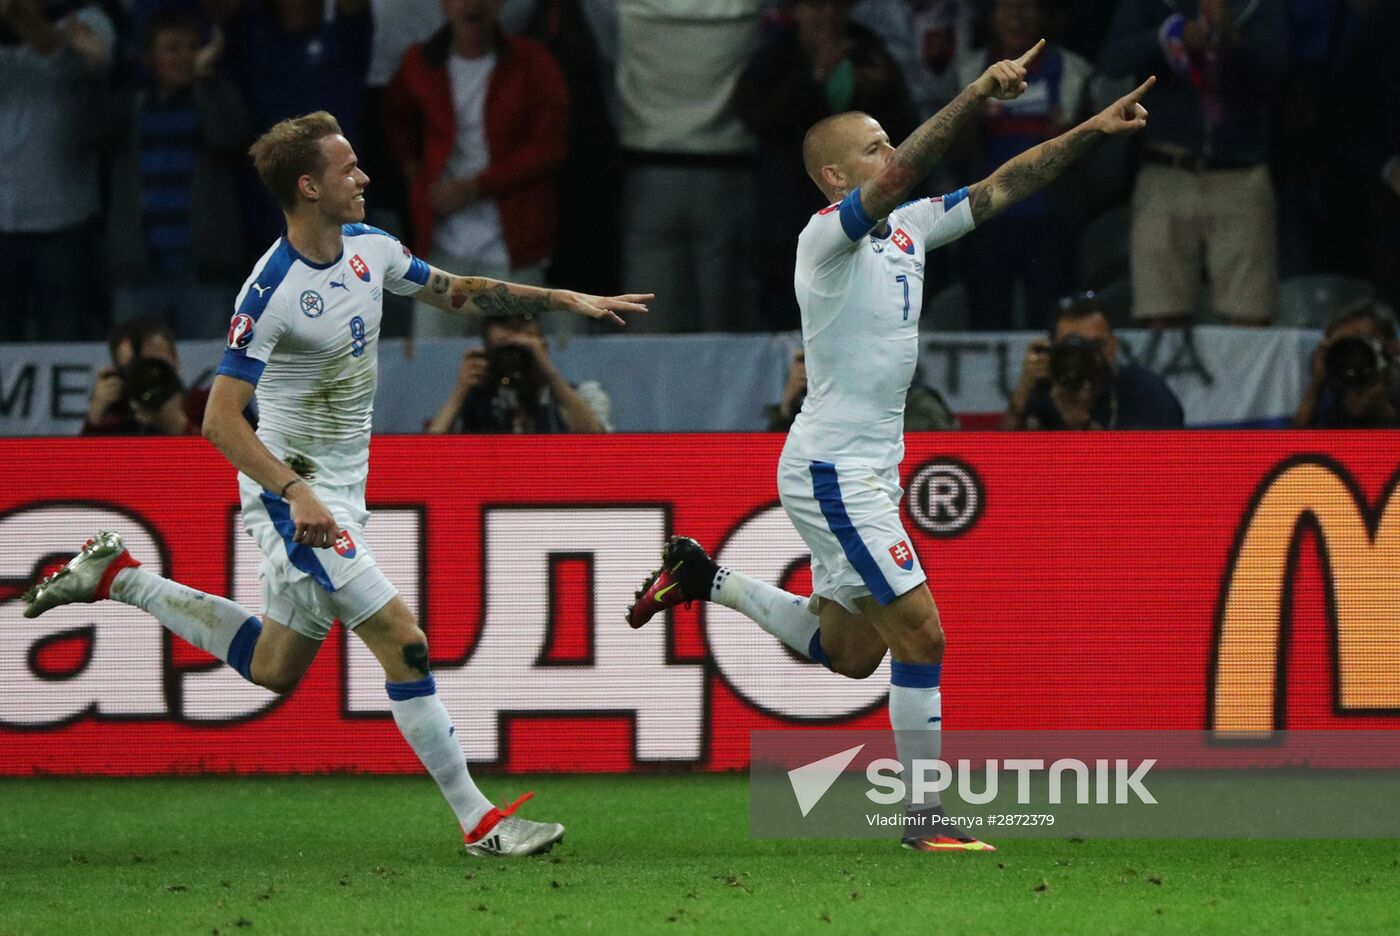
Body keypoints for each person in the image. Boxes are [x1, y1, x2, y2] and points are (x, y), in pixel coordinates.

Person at [23, 111, 650, 856]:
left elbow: (459, 290)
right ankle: (481, 822)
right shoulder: (270, 291)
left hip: (340, 489)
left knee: (274, 665)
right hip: (296, 496)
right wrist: (294, 494)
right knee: (402, 638)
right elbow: (220, 423)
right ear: (309, 185)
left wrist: (562, 299)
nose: (365, 177)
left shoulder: (371, 249)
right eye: (349, 167)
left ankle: (121, 577)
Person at [628, 42, 1155, 853]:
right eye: (874, 145)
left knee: (848, 653)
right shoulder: (823, 242)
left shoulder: (906, 231)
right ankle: (925, 822)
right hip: (835, 471)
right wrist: (979, 91)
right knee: (924, 637)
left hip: (867, 468)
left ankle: (710, 577)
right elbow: (906, 174)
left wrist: (1092, 128)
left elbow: (1002, 186)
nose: (891, 151)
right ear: (838, 177)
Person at [385, 0, 568, 339]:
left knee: (522, 359)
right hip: (441, 246)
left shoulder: (532, 63)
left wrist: (477, 187)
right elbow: (397, 123)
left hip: (515, 244)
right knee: (433, 360)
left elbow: (551, 146)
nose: (473, 4)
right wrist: (417, 178)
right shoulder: (419, 64)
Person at [1099, 0, 1286, 327]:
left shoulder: (1257, 6)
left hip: (1240, 175)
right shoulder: (1156, 6)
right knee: (1161, 315)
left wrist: (1232, 38)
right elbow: (1113, 60)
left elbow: (1277, 74)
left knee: (1249, 316)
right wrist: (1167, 36)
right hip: (1165, 171)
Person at [736, 0, 916, 329]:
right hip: (788, 227)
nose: (828, 16)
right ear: (797, 11)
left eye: (836, 6)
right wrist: (814, 78)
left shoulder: (871, 55)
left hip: (864, 228)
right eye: (816, 7)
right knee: (791, 330)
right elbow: (759, 118)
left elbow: (903, 133)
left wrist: (878, 91)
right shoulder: (774, 58)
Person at [106, 8, 251, 340]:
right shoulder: (131, 104)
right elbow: (88, 133)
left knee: (209, 377)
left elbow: (230, 138)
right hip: (140, 269)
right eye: (172, 48)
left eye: (191, 47)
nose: (184, 57)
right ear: (148, 57)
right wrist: (94, 69)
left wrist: (206, 83)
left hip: (203, 269)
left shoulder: (215, 95)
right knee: (138, 372)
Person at [954, 0, 1092, 330]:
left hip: (1050, 218)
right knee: (987, 321)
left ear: (1046, 15)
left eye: (1028, 6)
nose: (1016, 17)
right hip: (985, 216)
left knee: (1050, 324)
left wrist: (1069, 138)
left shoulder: (1074, 70)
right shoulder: (968, 70)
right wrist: (971, 121)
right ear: (990, 15)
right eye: (1006, 7)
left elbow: (1094, 154)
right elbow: (952, 153)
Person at [0, 0, 114, 341]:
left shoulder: (88, 21)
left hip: (65, 220)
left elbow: (66, 59)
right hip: (2, 221)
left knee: (64, 338)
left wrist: (17, 12)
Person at [1001, 292, 1185, 429]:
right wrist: (1020, 399)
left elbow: (1141, 475)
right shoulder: (1044, 392)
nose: (1088, 356)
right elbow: (999, 468)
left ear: (1114, 344)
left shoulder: (1145, 392)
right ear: (1054, 349)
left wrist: (1081, 424)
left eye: (1096, 345)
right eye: (1073, 347)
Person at [426, 311, 612, 433]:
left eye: (524, 351)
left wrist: (550, 376)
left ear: (544, 350)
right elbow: (424, 460)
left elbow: (597, 445)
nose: (513, 359)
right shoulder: (474, 402)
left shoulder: (583, 393)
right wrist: (458, 395)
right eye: (505, 351)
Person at [766, 348, 956, 431]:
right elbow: (771, 472)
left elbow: (927, 457)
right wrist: (787, 408)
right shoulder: (819, 408)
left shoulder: (918, 405)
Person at [81, 318, 214, 435]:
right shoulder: (115, 420)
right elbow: (84, 461)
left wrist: (179, 425)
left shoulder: (208, 406)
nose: (148, 377)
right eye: (136, 368)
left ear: (176, 363)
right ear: (119, 373)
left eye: (156, 365)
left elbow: (224, 460)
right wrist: (95, 417)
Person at [1293, 305, 1400, 429]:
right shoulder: (1336, 388)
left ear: (1392, 347)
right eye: (1345, 345)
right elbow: (1296, 443)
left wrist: (1387, 415)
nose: (1355, 355)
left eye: (1363, 341)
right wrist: (1315, 385)